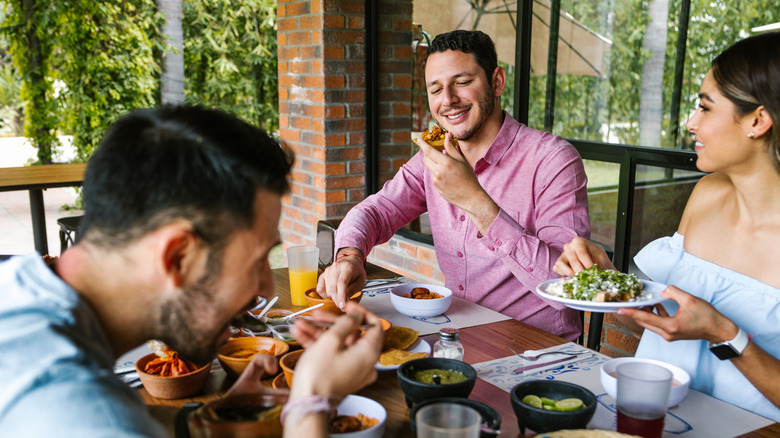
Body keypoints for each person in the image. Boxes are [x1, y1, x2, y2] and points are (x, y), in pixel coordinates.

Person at [0, 105, 384, 437]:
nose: (267, 290)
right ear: (177, 257)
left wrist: (204, 423)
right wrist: (311, 399)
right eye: (256, 262)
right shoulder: (84, 417)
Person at [554, 32, 780, 421]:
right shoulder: (706, 194)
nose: (691, 123)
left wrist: (726, 335)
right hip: (651, 415)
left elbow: (712, 330)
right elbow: (670, 320)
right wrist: (611, 283)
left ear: (758, 120)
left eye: (705, 108)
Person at [317, 30, 590, 340]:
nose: (447, 100)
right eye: (436, 89)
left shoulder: (554, 160)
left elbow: (568, 286)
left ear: (497, 82)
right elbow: (378, 210)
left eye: (462, 82)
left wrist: (476, 202)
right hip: (456, 334)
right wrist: (350, 256)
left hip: (537, 349)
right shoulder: (433, 157)